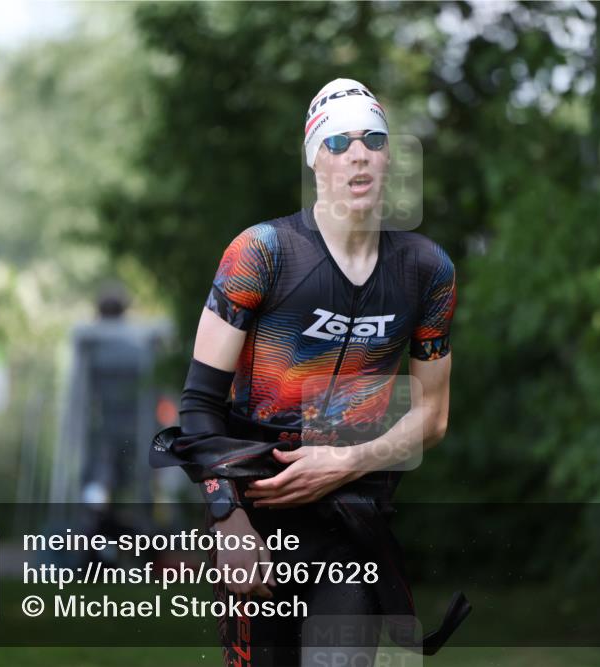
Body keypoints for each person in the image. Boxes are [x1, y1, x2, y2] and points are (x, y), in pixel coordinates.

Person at [173, 78, 459, 666]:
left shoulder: (426, 270)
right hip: (256, 515)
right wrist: (228, 522)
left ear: (387, 158)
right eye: (337, 142)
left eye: (373, 139)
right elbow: (199, 406)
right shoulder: (262, 253)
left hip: (350, 520)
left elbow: (432, 417)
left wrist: (347, 461)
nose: (357, 153)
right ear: (315, 163)